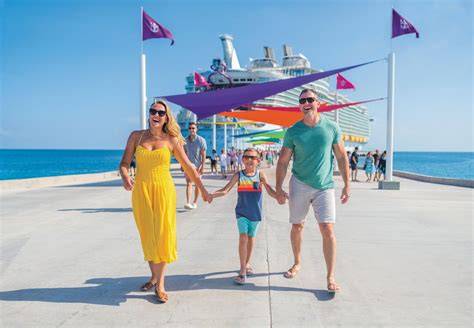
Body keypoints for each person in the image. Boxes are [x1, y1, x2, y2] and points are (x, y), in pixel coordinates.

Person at [119, 99, 212, 303]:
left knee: (162, 235)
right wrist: (125, 175)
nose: (157, 115)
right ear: (149, 114)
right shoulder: (136, 136)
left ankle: (160, 284)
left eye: (161, 113)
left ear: (166, 117)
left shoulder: (171, 140)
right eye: (153, 111)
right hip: (141, 192)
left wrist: (203, 189)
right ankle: (153, 276)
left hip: (163, 191)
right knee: (147, 234)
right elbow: (125, 163)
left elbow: (188, 166)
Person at [275, 88, 350, 293]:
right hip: (299, 184)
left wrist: (347, 184)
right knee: (297, 226)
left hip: (324, 186)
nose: (306, 103)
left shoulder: (332, 127)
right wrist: (278, 188)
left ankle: (330, 276)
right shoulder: (293, 131)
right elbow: (283, 162)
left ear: (318, 103)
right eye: (302, 101)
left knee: (327, 229)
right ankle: (297, 262)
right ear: (299, 105)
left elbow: (342, 157)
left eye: (310, 99)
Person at [211, 148, 277, 285]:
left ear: (258, 161)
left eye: (253, 157)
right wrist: (211, 195)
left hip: (256, 213)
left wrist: (280, 196)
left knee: (251, 238)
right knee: (243, 237)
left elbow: (270, 191)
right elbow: (225, 190)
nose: (249, 160)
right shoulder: (239, 175)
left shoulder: (260, 175)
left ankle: (247, 263)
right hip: (242, 213)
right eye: (246, 157)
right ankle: (242, 270)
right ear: (242, 160)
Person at [183, 122, 207, 210]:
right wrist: (182, 164)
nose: (191, 130)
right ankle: (188, 202)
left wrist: (203, 166)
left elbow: (203, 154)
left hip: (198, 166)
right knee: (188, 183)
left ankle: (195, 202)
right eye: (190, 128)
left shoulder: (201, 140)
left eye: (193, 128)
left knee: (197, 184)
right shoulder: (185, 140)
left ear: (196, 129)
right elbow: (184, 153)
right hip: (188, 166)